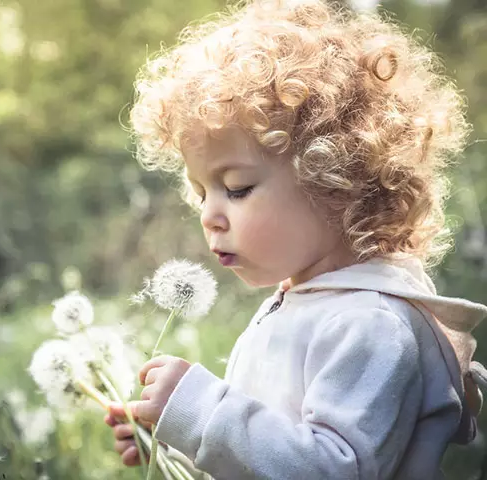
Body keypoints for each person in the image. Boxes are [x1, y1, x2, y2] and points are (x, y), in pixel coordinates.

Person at [104, 0, 487, 478]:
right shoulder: (305, 303)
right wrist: (170, 436)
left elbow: (328, 469)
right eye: (201, 193)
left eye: (237, 188)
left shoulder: (369, 324)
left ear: (334, 181)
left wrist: (200, 412)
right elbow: (268, 448)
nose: (208, 216)